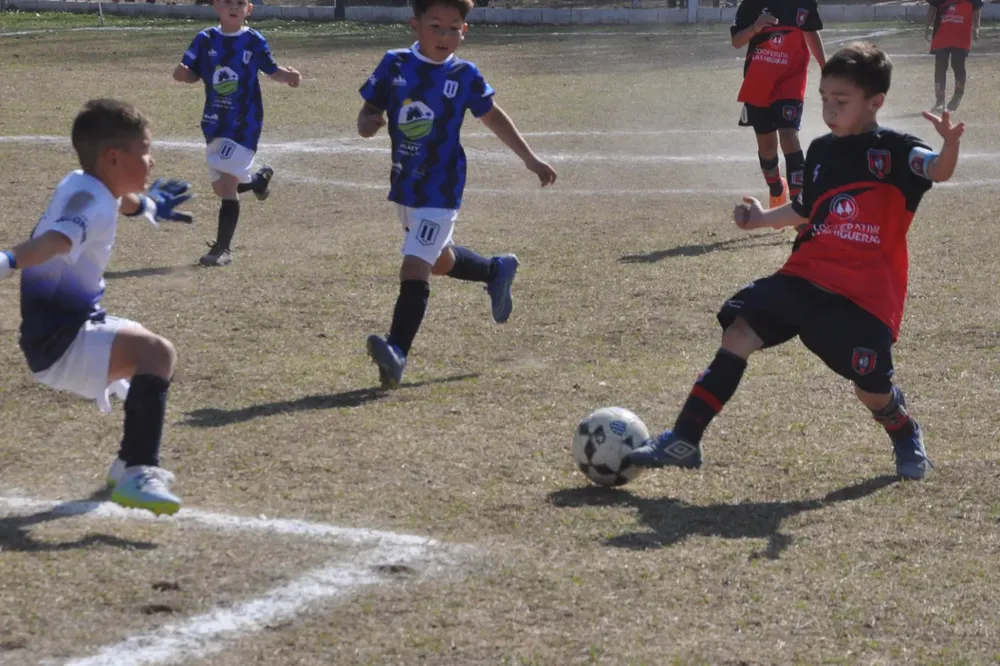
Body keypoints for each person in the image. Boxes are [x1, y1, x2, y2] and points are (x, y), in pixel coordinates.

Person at [629, 43, 964, 481]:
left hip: (864, 298)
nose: (828, 109)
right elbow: (807, 207)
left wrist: (950, 145)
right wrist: (762, 219)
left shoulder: (897, 152)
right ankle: (684, 439)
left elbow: (937, 169)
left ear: (875, 101)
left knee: (872, 391)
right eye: (823, 98)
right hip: (804, 277)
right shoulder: (821, 151)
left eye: (840, 101)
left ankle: (903, 432)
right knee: (739, 332)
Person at [2, 99, 195, 514]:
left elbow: (118, 200)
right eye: (144, 150)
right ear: (113, 156)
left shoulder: (84, 182)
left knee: (146, 347)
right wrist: (8, 260)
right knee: (157, 353)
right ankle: (138, 471)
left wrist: (146, 205)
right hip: (60, 341)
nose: (152, 158)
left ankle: (128, 462)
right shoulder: (89, 203)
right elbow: (56, 241)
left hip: (63, 328)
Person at [356, 0, 556, 389]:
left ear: (464, 30)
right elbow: (369, 109)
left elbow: (493, 116)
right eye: (436, 26)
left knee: (415, 265)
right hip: (405, 185)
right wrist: (367, 123)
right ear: (415, 25)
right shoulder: (393, 64)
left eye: (454, 27)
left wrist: (530, 159)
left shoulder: (465, 75)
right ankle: (494, 270)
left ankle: (396, 351)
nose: (445, 35)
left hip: (442, 187)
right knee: (440, 260)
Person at [172, 0, 302, 267]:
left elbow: (271, 70)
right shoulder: (204, 38)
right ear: (216, 6)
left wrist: (287, 76)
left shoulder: (253, 40)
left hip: (245, 123)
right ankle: (258, 181)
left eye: (240, 3)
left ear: (249, 9)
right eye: (228, 2)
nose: (234, 7)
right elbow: (193, 73)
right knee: (221, 187)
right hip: (214, 121)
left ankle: (223, 249)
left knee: (228, 185)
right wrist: (183, 74)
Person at [731, 0, 826, 209]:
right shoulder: (751, 3)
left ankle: (799, 204)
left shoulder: (804, 3)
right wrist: (756, 27)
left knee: (788, 136)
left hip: (790, 79)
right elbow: (737, 41)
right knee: (767, 147)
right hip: (759, 81)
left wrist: (825, 67)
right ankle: (776, 188)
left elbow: (810, 32)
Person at [926, 0, 982, 113]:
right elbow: (932, 8)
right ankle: (940, 101)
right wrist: (927, 27)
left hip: (961, 34)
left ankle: (957, 96)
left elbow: (976, 8)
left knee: (958, 65)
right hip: (942, 33)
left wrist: (977, 27)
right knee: (940, 67)